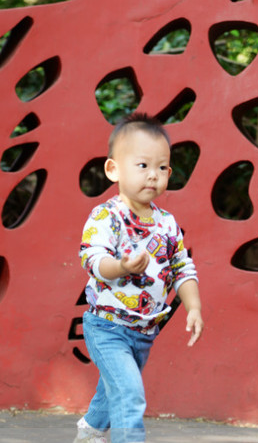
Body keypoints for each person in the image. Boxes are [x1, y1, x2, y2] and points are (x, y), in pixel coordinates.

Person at [75, 113, 204, 443]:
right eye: (143, 165)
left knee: (113, 389)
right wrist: (122, 267)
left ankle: (89, 432)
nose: (153, 176)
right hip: (107, 327)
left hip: (145, 330)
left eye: (162, 168)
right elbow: (93, 259)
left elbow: (182, 268)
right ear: (113, 169)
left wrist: (193, 307)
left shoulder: (167, 224)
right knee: (130, 395)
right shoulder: (107, 216)